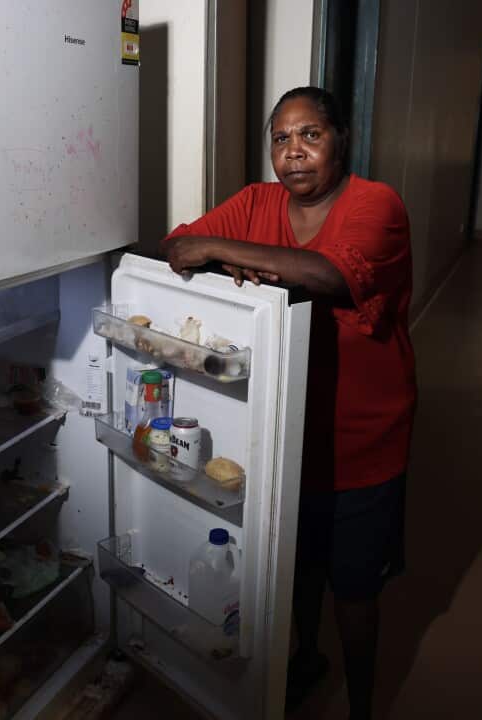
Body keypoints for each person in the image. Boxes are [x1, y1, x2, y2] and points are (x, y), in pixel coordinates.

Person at [161, 86, 416, 719]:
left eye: (310, 136)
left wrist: (223, 251)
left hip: (362, 438)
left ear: (340, 140)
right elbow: (178, 245)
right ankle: (305, 661)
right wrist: (212, 249)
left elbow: (329, 274)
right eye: (281, 139)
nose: (294, 153)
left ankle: (363, 705)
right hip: (281, 429)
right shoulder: (256, 202)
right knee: (294, 566)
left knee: (353, 590)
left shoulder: (376, 203)